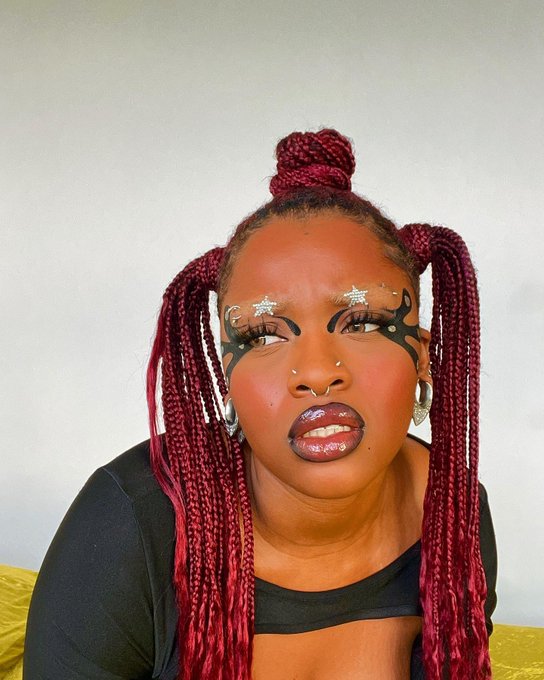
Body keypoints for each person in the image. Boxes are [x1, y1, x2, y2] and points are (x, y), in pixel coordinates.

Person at [24, 129, 497, 679]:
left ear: (423, 357)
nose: (317, 372)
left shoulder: (455, 516)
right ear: (226, 376)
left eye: (364, 323)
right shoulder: (128, 526)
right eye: (265, 335)